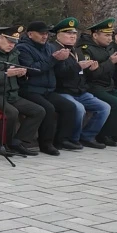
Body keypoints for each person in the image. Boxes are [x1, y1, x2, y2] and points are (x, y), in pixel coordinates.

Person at [0, 25, 45, 158]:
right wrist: (5, 74)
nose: (12, 45)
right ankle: (3, 144)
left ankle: (18, 142)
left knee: (38, 111)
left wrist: (21, 74)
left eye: (14, 42)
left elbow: (15, 74)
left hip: (10, 93)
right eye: (10, 41)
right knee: (11, 112)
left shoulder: (14, 53)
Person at [16, 21, 80, 155]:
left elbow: (58, 70)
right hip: (30, 89)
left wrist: (63, 59)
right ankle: (46, 144)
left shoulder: (49, 47)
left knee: (69, 107)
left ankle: (61, 140)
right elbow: (32, 69)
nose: (44, 36)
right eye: (41, 34)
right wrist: (53, 59)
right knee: (48, 109)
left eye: (46, 34)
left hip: (48, 89)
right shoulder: (22, 48)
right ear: (30, 34)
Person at [49, 18, 110, 149]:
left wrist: (92, 70)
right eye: (68, 33)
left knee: (104, 107)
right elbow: (58, 73)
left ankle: (87, 136)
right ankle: (73, 139)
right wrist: (78, 66)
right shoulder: (54, 49)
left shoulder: (76, 50)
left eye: (74, 34)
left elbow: (83, 74)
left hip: (80, 90)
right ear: (58, 35)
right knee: (79, 108)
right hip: (62, 90)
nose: (72, 36)